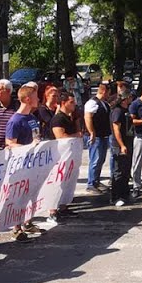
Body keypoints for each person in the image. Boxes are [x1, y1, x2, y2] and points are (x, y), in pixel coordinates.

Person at [4, 82, 43, 240]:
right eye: (35, 96)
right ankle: (16, 227)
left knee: (32, 194)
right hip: (20, 166)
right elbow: (10, 143)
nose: (38, 99)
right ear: (27, 99)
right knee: (18, 196)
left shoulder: (32, 117)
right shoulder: (15, 120)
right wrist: (29, 147)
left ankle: (28, 221)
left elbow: (36, 136)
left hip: (33, 163)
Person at [48, 92, 82, 224]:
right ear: (63, 103)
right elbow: (60, 137)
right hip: (59, 157)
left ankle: (63, 207)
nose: (74, 105)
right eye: (71, 102)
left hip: (70, 156)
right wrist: (76, 135)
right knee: (58, 183)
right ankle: (52, 211)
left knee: (68, 182)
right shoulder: (58, 119)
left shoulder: (71, 117)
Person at [84, 82, 113, 192]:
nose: (109, 95)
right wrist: (92, 132)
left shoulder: (104, 103)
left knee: (101, 159)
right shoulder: (92, 103)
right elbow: (88, 117)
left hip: (103, 135)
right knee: (95, 160)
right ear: (104, 91)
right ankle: (91, 183)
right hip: (96, 137)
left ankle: (96, 180)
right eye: (108, 92)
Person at [109, 88, 134, 207]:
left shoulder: (126, 109)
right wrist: (122, 145)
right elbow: (116, 129)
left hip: (128, 142)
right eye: (130, 96)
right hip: (119, 145)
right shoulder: (117, 111)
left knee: (126, 170)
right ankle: (115, 196)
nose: (132, 98)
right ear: (125, 98)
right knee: (118, 171)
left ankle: (124, 193)